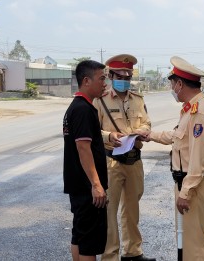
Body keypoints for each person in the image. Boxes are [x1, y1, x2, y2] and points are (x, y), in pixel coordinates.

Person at [135, 56, 204, 261]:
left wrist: (186, 192)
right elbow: (177, 138)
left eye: (172, 84)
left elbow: (198, 159)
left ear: (180, 84)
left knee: (195, 245)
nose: (172, 88)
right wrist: (150, 135)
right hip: (189, 184)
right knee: (189, 242)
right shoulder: (191, 110)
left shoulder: (199, 113)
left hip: (194, 186)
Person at [92, 54, 155, 261]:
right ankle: (110, 256)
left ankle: (133, 252)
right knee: (109, 212)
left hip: (134, 160)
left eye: (128, 77)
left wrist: (141, 131)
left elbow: (147, 123)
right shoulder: (99, 101)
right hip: (112, 162)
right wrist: (109, 136)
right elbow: (92, 131)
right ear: (111, 76)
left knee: (132, 209)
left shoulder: (138, 100)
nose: (125, 80)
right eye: (120, 76)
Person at [63, 60, 109, 261]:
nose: (105, 83)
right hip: (86, 187)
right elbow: (83, 149)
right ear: (86, 81)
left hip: (79, 186)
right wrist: (96, 185)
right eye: (101, 78)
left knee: (80, 236)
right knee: (89, 243)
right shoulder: (82, 109)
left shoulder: (77, 106)